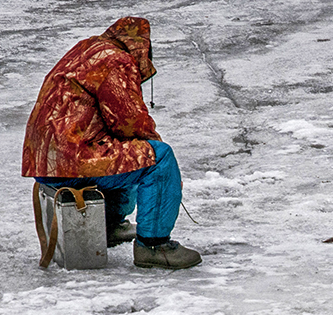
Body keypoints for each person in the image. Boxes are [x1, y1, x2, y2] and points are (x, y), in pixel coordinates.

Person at [22, 17, 201, 270]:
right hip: (73, 159)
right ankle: (154, 245)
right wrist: (153, 141)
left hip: (46, 160)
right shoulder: (116, 59)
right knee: (158, 158)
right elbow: (128, 120)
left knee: (121, 152)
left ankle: (107, 225)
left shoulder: (86, 50)